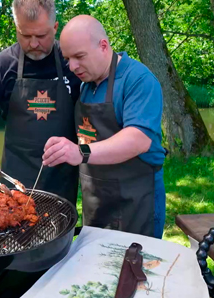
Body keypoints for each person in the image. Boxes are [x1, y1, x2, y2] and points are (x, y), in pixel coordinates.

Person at [42, 15, 166, 238]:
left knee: (135, 270)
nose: (72, 66)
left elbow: (137, 140)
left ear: (103, 46)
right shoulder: (87, 85)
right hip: (97, 203)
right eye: (68, 58)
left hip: (136, 203)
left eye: (79, 56)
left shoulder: (137, 80)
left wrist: (80, 152)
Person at [0, 0, 81, 204]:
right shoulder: (3, 64)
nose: (33, 44)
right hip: (15, 180)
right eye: (25, 35)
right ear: (16, 28)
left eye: (41, 36)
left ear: (55, 28)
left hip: (63, 180)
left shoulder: (71, 62)